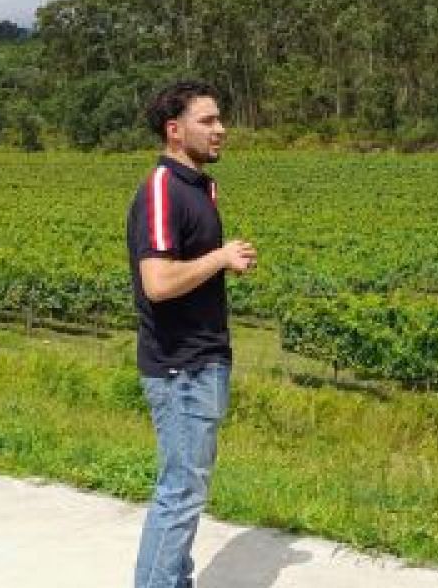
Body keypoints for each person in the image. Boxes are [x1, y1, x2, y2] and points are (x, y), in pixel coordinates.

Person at [127, 80, 256, 588]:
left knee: (188, 489)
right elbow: (156, 282)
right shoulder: (162, 189)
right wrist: (221, 258)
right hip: (180, 366)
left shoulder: (201, 187)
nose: (221, 129)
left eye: (220, 119)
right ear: (174, 131)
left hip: (203, 361)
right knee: (180, 493)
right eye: (208, 121)